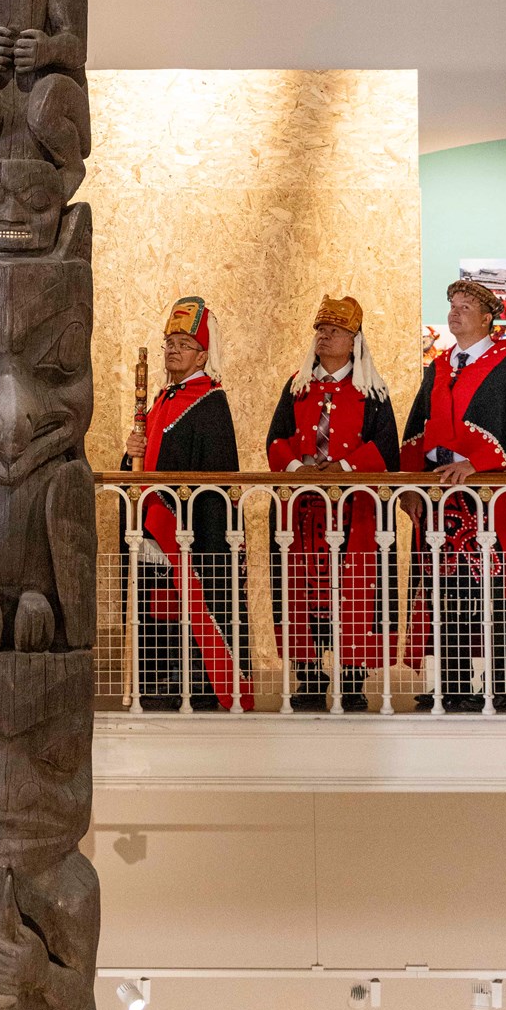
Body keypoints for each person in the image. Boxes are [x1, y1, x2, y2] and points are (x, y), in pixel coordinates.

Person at [402, 278, 506, 712]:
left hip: (493, 505)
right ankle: (454, 685)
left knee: (497, 593)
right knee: (447, 593)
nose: (455, 313)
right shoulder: (438, 367)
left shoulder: (505, 366)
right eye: (452, 305)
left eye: (464, 307)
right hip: (443, 501)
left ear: (486, 317)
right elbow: (418, 427)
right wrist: (414, 483)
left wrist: (477, 464)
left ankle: (498, 685)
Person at [266, 295, 400, 713]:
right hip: (302, 515)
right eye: (321, 331)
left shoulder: (372, 393)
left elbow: (386, 449)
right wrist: (295, 469)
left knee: (356, 594)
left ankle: (353, 677)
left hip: (355, 513)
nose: (325, 337)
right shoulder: (296, 387)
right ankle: (308, 676)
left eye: (335, 331)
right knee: (299, 593)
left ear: (354, 340)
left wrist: (342, 468)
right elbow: (275, 440)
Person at [120, 296, 251, 711]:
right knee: (157, 605)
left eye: (183, 342)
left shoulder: (210, 403)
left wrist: (177, 518)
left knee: (194, 601)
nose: (173, 349)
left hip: (189, 532)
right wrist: (130, 453)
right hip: (152, 528)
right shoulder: (160, 400)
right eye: (169, 342)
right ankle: (159, 674)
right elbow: (141, 466)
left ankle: (199, 677)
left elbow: (213, 480)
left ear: (202, 354)